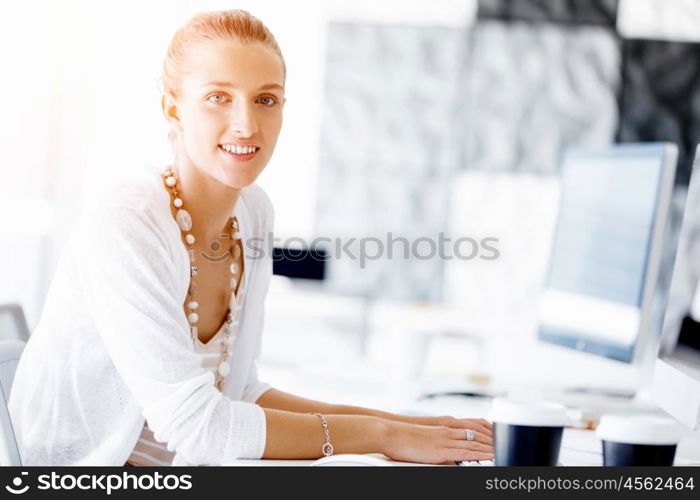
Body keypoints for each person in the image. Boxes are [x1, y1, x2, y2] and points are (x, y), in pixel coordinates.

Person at [8, 9, 493, 466]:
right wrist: (384, 437)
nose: (246, 123)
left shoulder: (253, 212)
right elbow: (200, 426)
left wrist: (409, 425)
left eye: (266, 99)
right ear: (171, 108)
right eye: (218, 97)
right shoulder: (128, 220)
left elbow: (238, 392)